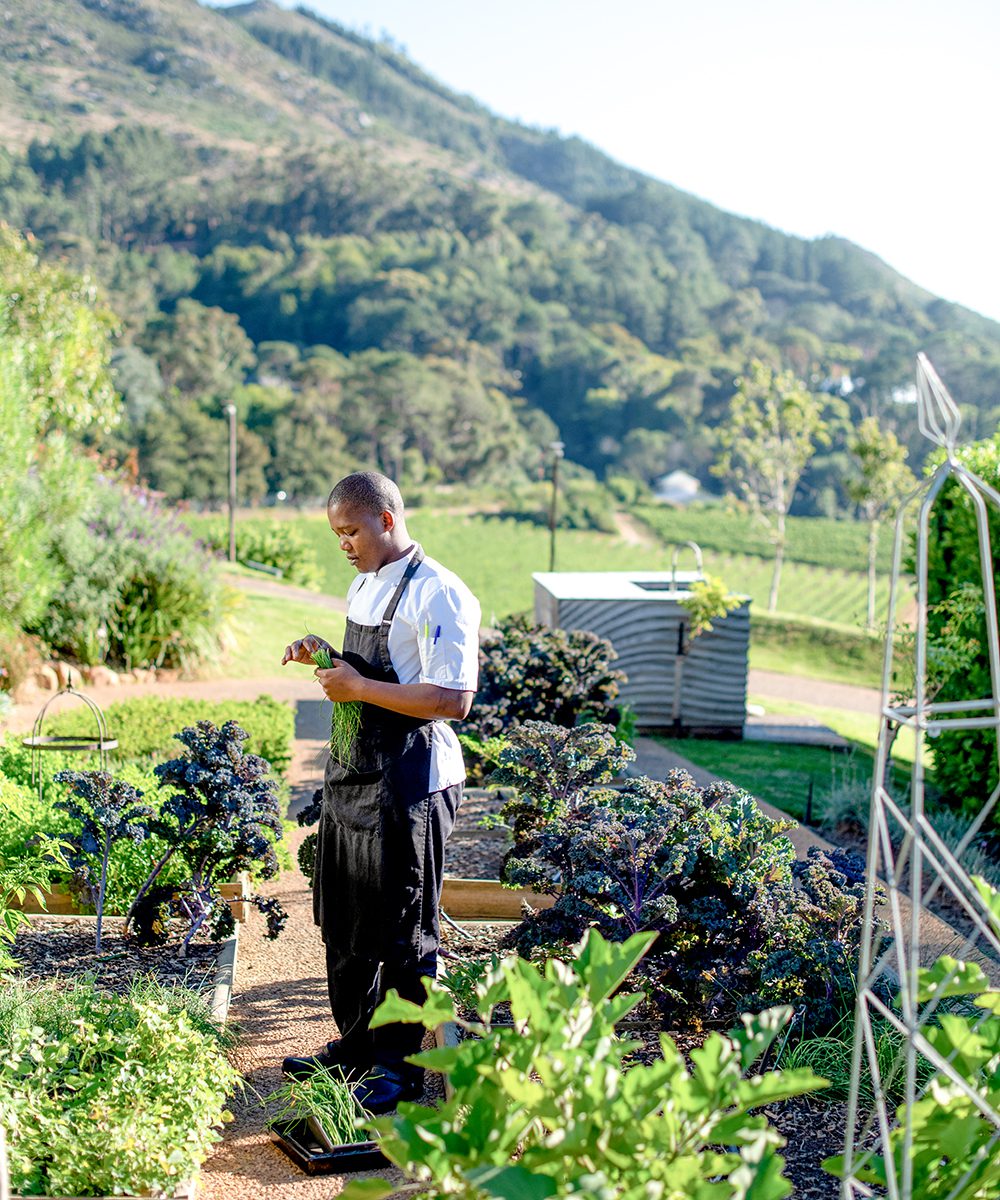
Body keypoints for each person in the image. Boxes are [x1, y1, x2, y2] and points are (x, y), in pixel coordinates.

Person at [280, 471, 481, 1113]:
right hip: (354, 773)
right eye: (336, 533)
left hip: (412, 781)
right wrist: (326, 654)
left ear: (387, 520)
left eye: (351, 531)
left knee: (401, 932)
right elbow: (371, 669)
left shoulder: (440, 595)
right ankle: (357, 1045)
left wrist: (359, 689)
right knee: (344, 917)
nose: (344, 543)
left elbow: (452, 699)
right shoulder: (364, 581)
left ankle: (396, 1069)